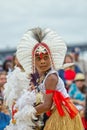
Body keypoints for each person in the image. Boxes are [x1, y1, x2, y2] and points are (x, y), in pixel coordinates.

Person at [16, 27, 83, 130]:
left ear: (51, 59)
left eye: (46, 58)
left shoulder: (51, 77)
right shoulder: (43, 77)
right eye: (39, 59)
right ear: (34, 61)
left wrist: (24, 113)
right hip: (59, 113)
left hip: (63, 116)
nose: (42, 62)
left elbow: (47, 105)